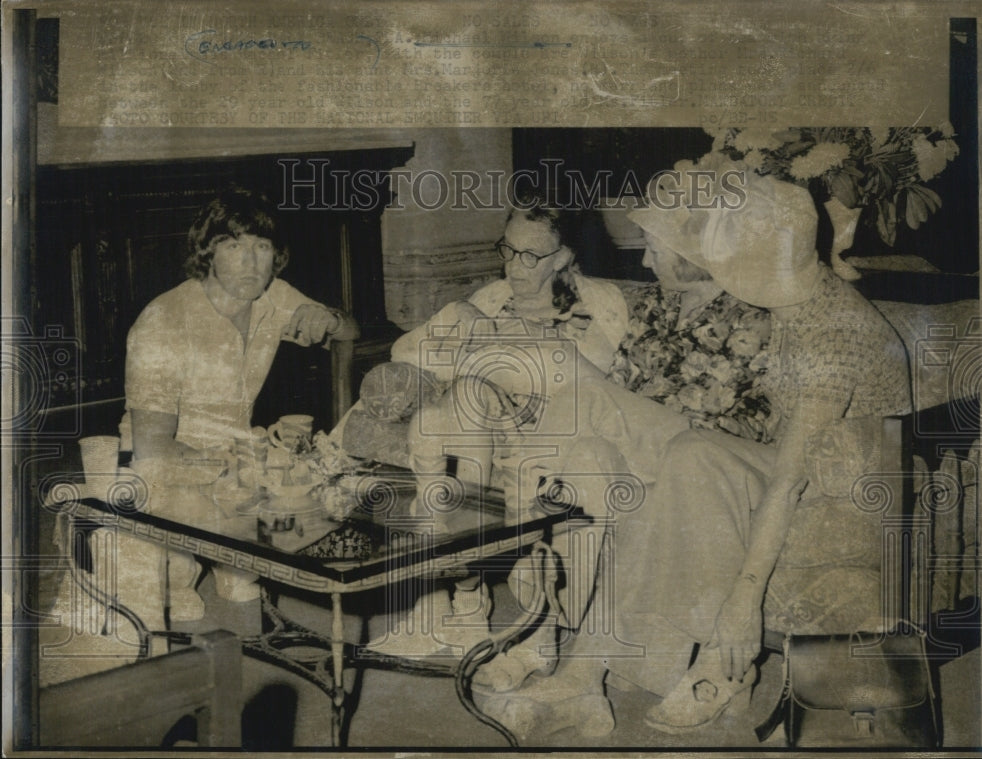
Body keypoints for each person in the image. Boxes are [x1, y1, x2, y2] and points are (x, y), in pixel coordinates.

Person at [487, 165, 912, 739]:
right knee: (668, 458)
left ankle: (708, 667)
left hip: (841, 499)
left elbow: (789, 479)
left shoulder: (832, 332)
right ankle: (585, 674)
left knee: (692, 456)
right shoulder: (798, 299)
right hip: (770, 461)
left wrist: (741, 607)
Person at [368, 200, 629, 657]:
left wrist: (489, 340)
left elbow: (595, 384)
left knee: (459, 406)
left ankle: (457, 599)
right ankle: (452, 600)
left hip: (552, 433)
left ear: (563, 257)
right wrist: (461, 316)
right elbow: (406, 352)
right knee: (438, 418)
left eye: (531, 255)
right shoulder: (490, 296)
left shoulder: (599, 301)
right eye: (507, 250)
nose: (514, 266)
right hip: (475, 426)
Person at [117, 185, 357, 618]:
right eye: (233, 245)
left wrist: (330, 318)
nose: (250, 262)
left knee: (255, 581)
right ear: (208, 253)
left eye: (261, 247)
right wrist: (237, 478)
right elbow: (152, 446)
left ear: (275, 254)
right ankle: (180, 557)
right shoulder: (163, 322)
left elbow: (350, 333)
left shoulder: (274, 295)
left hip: (239, 455)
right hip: (167, 464)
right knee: (180, 606)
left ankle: (234, 553)